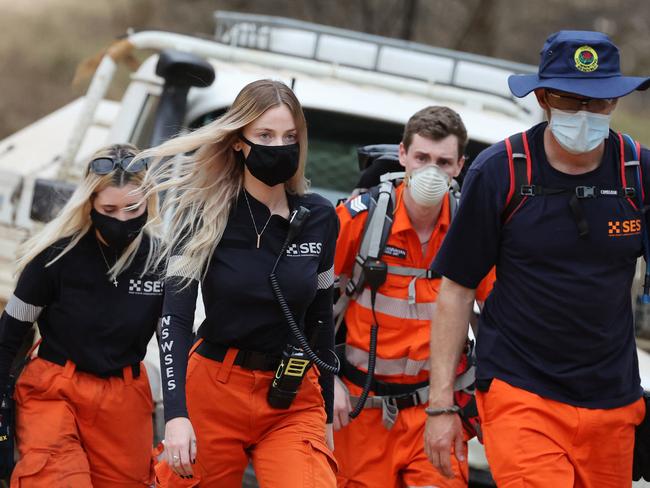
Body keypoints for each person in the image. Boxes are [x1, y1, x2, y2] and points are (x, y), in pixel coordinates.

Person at [424, 30, 650, 487]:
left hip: (613, 402)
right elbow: (456, 288)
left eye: (600, 101)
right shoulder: (500, 171)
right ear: (544, 97)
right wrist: (442, 403)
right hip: (520, 391)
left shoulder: (639, 172)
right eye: (571, 100)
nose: (586, 113)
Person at [140, 79, 338, 487]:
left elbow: (321, 319)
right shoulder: (203, 212)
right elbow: (174, 320)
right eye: (265, 135)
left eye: (289, 137)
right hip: (213, 387)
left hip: (292, 396)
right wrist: (176, 416)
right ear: (237, 141)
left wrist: (328, 417)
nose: (278, 146)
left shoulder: (319, 217)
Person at [332, 106, 493, 487]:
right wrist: (326, 379)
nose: (431, 171)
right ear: (403, 155)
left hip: (436, 411)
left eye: (443, 161)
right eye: (421, 158)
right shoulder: (359, 220)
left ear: (459, 166)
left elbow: (500, 315)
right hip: (359, 409)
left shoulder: (471, 230)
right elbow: (308, 302)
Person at [0, 143, 162, 487]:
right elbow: (7, 337)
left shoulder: (162, 262)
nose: (122, 219)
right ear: (90, 205)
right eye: (110, 208)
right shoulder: (53, 258)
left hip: (126, 398)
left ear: (148, 201)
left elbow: (175, 343)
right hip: (55, 389)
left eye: (133, 208)